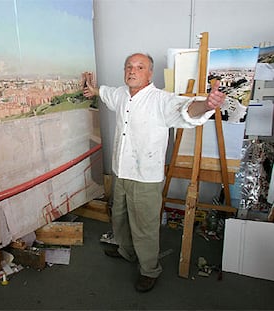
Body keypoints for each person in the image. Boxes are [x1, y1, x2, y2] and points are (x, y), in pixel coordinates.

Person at [83, 53, 226, 292]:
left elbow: (186, 109)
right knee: (119, 217)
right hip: (121, 172)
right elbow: (104, 92)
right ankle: (126, 252)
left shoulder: (161, 100)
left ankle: (149, 269)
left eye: (140, 67)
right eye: (129, 66)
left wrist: (206, 104)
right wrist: (93, 91)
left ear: (150, 73)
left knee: (144, 226)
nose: (132, 71)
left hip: (145, 177)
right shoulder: (119, 94)